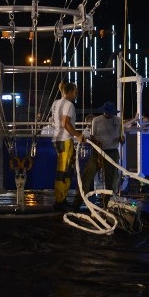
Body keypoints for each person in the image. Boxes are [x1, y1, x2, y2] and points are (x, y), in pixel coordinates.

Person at [74, 101, 124, 209]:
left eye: (109, 113)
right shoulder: (96, 120)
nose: (108, 114)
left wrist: (121, 139)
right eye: (106, 112)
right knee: (86, 175)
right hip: (98, 152)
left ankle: (108, 205)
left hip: (112, 152)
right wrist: (97, 145)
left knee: (110, 181)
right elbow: (92, 137)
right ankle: (77, 202)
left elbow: (122, 138)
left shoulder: (118, 121)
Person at [50, 81, 85, 212]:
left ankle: (62, 199)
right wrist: (78, 135)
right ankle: (60, 201)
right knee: (63, 171)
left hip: (57, 139)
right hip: (65, 140)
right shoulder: (69, 105)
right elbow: (66, 123)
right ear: (69, 92)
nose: (76, 95)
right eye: (75, 92)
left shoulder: (56, 103)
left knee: (64, 170)